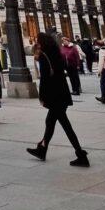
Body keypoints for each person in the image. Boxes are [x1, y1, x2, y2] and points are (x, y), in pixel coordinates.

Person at [28, 32, 89, 167]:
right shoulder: (57, 53)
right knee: (51, 122)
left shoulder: (44, 56)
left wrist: (42, 96)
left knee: (64, 125)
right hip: (62, 93)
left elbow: (44, 79)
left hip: (54, 95)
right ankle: (42, 149)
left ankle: (80, 154)